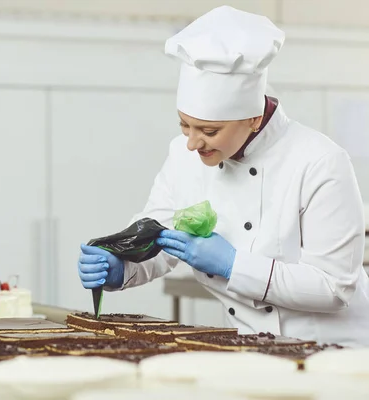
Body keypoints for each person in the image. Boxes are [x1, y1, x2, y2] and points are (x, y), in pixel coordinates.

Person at [78, 6, 369, 347]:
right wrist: (123, 266)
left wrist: (234, 265)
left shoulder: (320, 162)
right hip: (250, 350)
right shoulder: (182, 156)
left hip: (334, 355)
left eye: (209, 130)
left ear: (253, 119)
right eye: (184, 124)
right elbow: (161, 238)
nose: (191, 142)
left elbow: (334, 288)